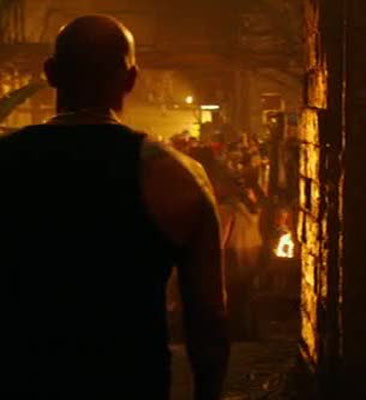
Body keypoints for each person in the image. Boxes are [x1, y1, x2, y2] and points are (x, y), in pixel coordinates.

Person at [2, 15, 228, 399]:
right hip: (130, 382)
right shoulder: (174, 175)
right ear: (131, 79)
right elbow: (208, 316)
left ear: (51, 72)